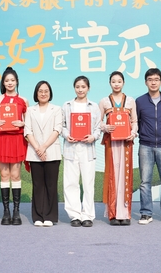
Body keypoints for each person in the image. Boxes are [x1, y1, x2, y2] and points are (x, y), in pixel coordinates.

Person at [135, 68, 161, 225]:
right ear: (146, 82)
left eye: (156, 79)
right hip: (145, 145)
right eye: (150, 79)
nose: (153, 82)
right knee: (145, 182)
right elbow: (136, 122)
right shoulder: (139, 101)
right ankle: (146, 213)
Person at [98, 71, 138, 226]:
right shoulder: (104, 101)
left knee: (125, 175)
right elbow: (98, 122)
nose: (116, 84)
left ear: (123, 83)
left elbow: (134, 121)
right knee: (112, 175)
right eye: (113, 81)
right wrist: (105, 127)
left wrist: (133, 133)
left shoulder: (130, 101)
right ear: (110, 83)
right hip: (112, 143)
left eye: (119, 81)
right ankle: (113, 214)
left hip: (126, 143)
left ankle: (125, 213)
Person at [0, 67, 29, 225]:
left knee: (16, 175)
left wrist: (22, 123)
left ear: (17, 81)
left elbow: (29, 121)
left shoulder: (23, 100)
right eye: (7, 81)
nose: (10, 83)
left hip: (17, 139)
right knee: (4, 175)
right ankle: (6, 211)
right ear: (3, 83)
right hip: (1, 138)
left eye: (12, 80)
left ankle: (16, 211)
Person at [62, 76, 101, 227]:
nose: (80, 90)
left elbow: (98, 127)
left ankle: (87, 215)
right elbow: (62, 126)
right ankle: (74, 215)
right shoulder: (67, 105)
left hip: (87, 149)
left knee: (88, 182)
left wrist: (93, 137)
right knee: (71, 182)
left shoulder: (94, 106)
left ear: (88, 88)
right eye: (77, 87)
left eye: (83, 87)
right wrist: (67, 135)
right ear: (74, 88)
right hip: (71, 148)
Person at [24, 81, 63, 227]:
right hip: (35, 153)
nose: (43, 93)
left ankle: (50, 216)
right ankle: (38, 216)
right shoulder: (30, 110)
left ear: (50, 93)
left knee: (51, 185)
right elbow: (28, 131)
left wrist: (44, 147)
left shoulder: (56, 109)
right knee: (38, 185)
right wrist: (38, 149)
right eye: (40, 91)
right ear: (36, 93)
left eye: (46, 91)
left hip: (51, 151)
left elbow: (57, 129)